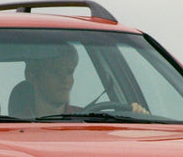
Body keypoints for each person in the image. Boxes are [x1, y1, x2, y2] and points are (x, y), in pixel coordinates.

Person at [21, 44, 150, 117]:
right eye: (56, 72)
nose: (66, 79)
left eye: (69, 72)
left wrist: (139, 117)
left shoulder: (89, 119)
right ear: (31, 75)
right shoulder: (12, 124)